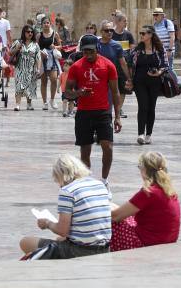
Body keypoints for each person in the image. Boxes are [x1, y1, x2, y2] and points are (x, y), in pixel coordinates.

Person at [19, 154, 111, 259]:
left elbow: (63, 230)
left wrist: (47, 223)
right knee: (59, 239)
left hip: (80, 251)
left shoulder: (68, 191)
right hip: (104, 248)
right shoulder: (99, 184)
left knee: (25, 242)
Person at [64, 35, 121, 182]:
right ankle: (87, 181)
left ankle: (104, 180)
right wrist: (79, 93)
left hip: (103, 111)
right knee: (85, 151)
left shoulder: (108, 65)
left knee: (107, 147)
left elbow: (115, 92)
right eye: (85, 52)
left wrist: (117, 117)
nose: (88, 55)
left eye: (91, 51)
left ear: (97, 49)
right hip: (84, 112)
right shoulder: (76, 67)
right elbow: (67, 92)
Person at [110, 151, 180, 251]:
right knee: (120, 212)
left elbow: (116, 216)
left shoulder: (149, 192)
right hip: (167, 241)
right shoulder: (169, 190)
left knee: (111, 223)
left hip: (147, 243)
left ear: (144, 169)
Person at [130, 26, 167, 145]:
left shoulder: (159, 49)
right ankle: (140, 133)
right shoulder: (137, 50)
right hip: (139, 82)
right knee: (143, 106)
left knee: (151, 107)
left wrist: (159, 72)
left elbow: (165, 65)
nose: (141, 35)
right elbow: (129, 63)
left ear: (151, 35)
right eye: (140, 33)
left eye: (143, 33)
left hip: (155, 82)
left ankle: (148, 134)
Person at [98, 21, 133, 119]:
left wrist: (129, 78)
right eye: (106, 30)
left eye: (111, 30)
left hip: (111, 79)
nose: (109, 32)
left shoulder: (117, 46)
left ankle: (107, 123)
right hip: (97, 79)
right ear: (101, 32)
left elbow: (123, 63)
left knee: (109, 102)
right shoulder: (96, 45)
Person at [11, 25, 40, 111]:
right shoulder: (18, 42)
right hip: (20, 68)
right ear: (24, 33)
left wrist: (38, 69)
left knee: (30, 86)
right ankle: (17, 104)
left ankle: (29, 103)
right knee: (19, 86)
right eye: (28, 32)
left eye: (31, 32)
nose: (30, 33)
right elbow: (10, 53)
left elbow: (38, 58)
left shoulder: (35, 45)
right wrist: (17, 48)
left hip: (31, 69)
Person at [38, 17, 62, 110]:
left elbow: (60, 46)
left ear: (50, 24)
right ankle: (45, 102)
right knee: (43, 81)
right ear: (42, 25)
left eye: (47, 22)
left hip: (52, 58)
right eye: (44, 23)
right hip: (43, 58)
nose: (46, 24)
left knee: (54, 79)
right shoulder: (39, 35)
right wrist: (40, 52)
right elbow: (36, 46)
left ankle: (52, 99)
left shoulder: (54, 34)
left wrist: (54, 46)